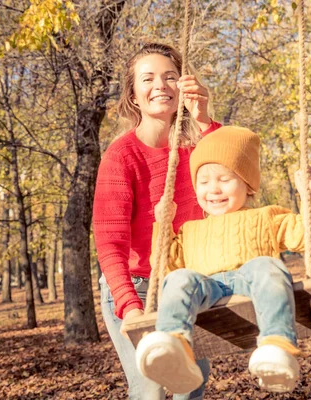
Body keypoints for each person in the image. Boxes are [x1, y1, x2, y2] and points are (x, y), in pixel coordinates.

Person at [135, 126, 311, 394]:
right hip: (207, 290)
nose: (213, 189)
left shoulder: (266, 216)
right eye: (203, 182)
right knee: (179, 278)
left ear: (248, 184)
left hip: (252, 285)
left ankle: (276, 346)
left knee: (267, 266)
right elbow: (163, 265)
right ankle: (173, 344)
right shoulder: (190, 230)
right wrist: (162, 224)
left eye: (224, 179)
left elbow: (310, 238)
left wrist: (309, 196)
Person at [93, 42, 221, 400]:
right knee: (150, 389)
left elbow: (230, 174)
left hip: (187, 283)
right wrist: (132, 311)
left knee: (191, 383)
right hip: (135, 286)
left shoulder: (195, 146)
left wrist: (204, 117)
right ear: (133, 95)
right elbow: (110, 244)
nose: (160, 85)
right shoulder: (121, 156)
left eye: (169, 77)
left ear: (183, 84)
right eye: (147, 79)